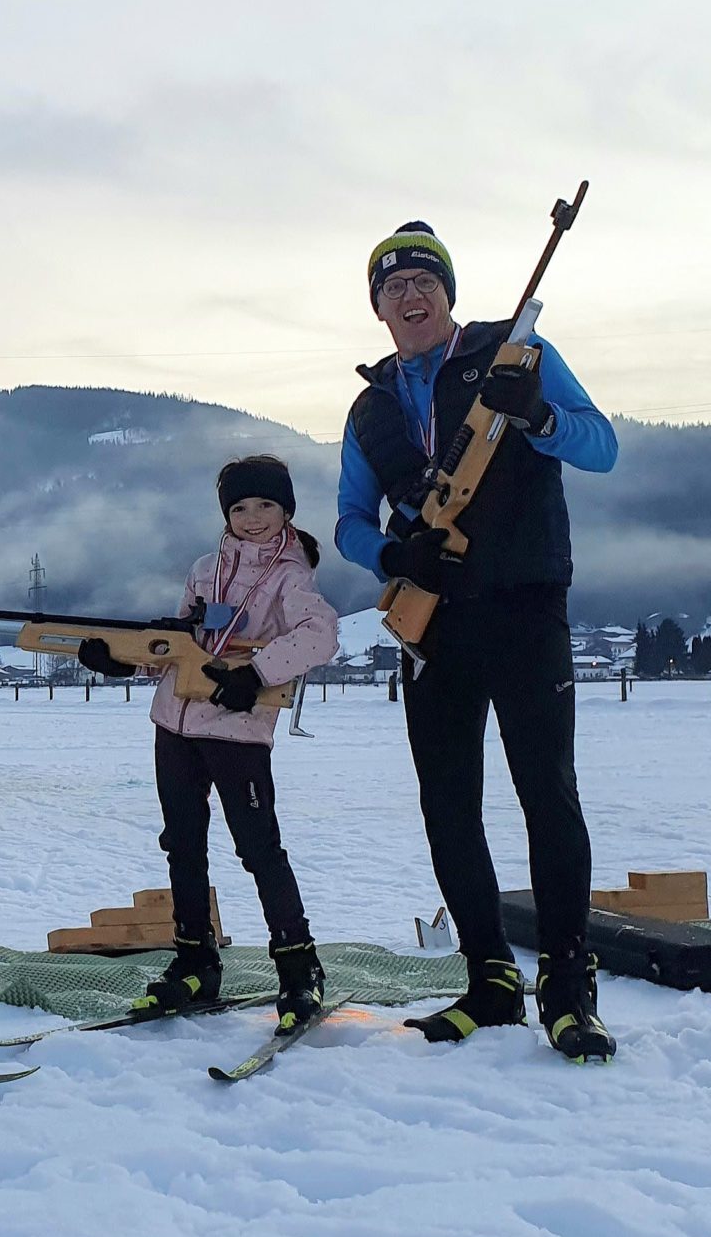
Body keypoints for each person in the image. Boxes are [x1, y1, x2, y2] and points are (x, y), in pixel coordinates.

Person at [336, 219, 621, 1062]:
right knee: (448, 805)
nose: (410, 295)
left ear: (448, 293)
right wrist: (393, 552)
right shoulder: (371, 406)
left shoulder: (518, 354)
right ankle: (489, 979)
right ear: (378, 311)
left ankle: (568, 989)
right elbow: (350, 521)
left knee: (548, 794)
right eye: (392, 287)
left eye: (424, 280)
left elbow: (601, 445)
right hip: (434, 623)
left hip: (527, 605)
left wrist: (535, 416)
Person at [77, 454, 344, 1032]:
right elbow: (177, 645)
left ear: (287, 511)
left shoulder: (291, 576)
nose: (252, 518)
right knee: (182, 843)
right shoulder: (206, 569)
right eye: (240, 507)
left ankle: (300, 968)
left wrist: (258, 673)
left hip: (238, 733)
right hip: (173, 725)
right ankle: (195, 960)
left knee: (258, 849)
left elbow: (321, 634)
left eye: (266, 506)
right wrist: (120, 661)